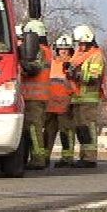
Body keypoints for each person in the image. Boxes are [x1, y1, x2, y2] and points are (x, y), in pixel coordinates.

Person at [67, 22, 106, 167]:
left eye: (82, 43)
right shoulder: (79, 55)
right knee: (80, 128)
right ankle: (83, 156)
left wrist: (76, 74)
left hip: (89, 99)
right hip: (77, 99)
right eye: (79, 43)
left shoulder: (96, 56)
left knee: (89, 128)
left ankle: (90, 158)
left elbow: (94, 78)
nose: (80, 46)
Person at [19, 18, 52, 170]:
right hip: (35, 96)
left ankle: (38, 159)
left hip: (34, 97)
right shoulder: (46, 50)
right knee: (31, 128)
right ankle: (34, 157)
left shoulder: (39, 50)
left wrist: (22, 63)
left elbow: (34, 68)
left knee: (33, 127)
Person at [45, 32, 76, 167]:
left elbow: (75, 85)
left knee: (66, 132)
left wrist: (72, 102)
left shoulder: (73, 65)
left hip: (65, 106)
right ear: (57, 50)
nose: (63, 52)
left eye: (66, 49)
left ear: (70, 50)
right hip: (50, 106)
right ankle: (44, 157)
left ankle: (67, 158)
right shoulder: (51, 64)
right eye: (61, 49)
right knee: (48, 133)